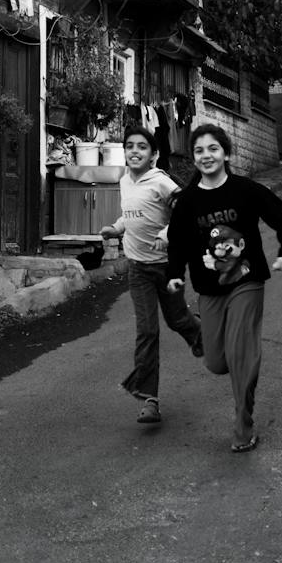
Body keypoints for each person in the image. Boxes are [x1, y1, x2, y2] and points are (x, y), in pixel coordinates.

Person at [166, 123, 282, 453]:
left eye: (213, 148)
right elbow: (177, 242)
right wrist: (175, 273)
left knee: (241, 352)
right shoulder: (187, 202)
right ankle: (231, 351)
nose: (206, 155)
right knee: (216, 362)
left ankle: (244, 426)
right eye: (199, 150)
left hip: (247, 279)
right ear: (194, 158)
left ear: (226, 153)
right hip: (209, 290)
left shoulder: (246, 190)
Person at [99, 127, 202, 426]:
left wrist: (168, 233)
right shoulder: (124, 181)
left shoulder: (161, 183)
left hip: (166, 266)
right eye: (129, 146)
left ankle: (205, 339)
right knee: (147, 331)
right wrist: (117, 228)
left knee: (177, 320)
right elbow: (130, 213)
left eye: (142, 147)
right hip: (138, 270)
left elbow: (185, 212)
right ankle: (149, 399)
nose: (134, 151)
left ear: (154, 154)